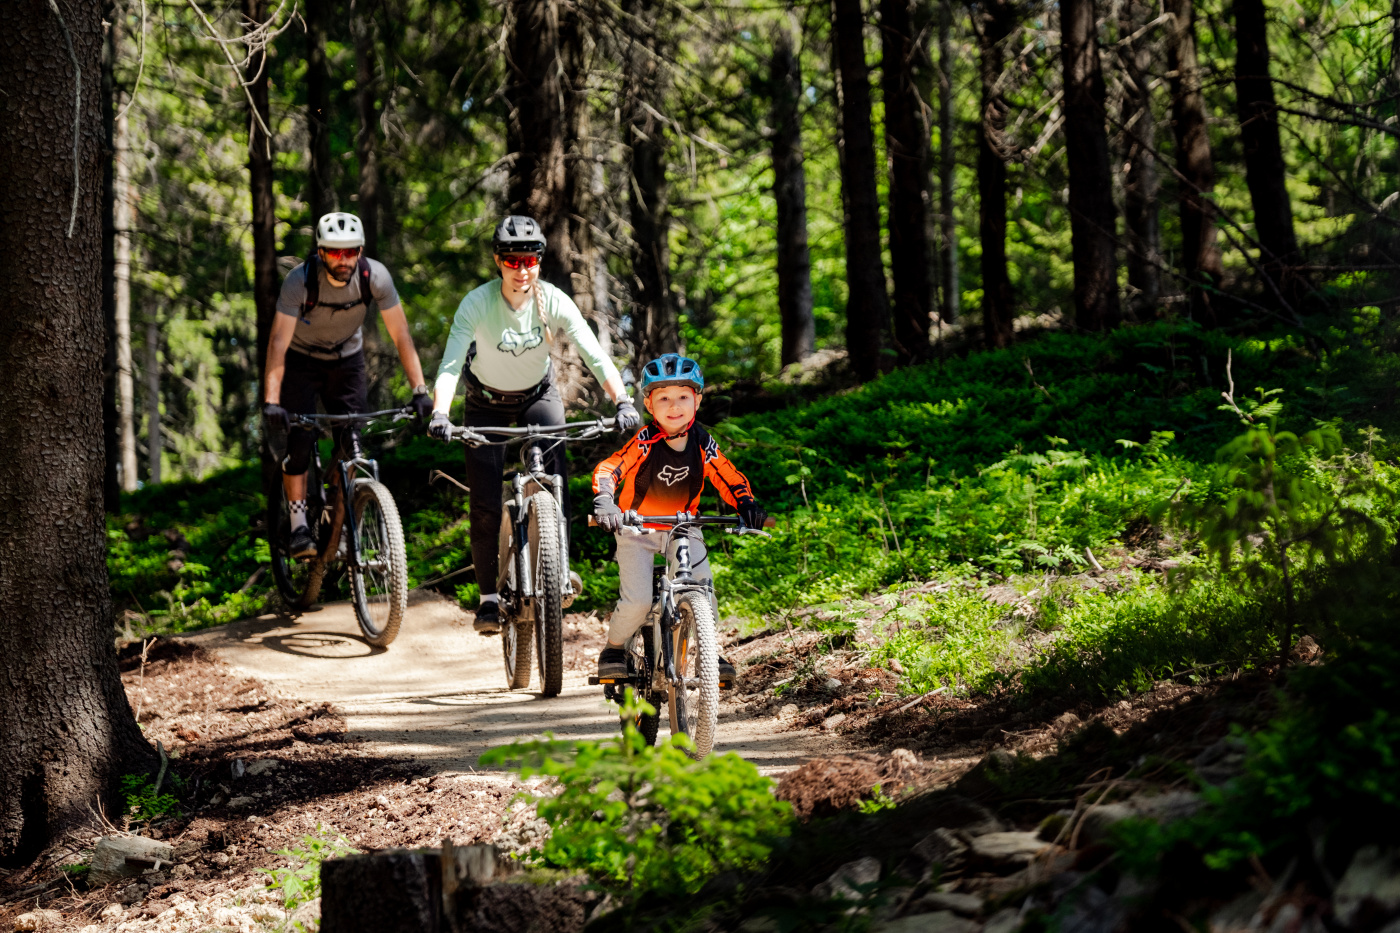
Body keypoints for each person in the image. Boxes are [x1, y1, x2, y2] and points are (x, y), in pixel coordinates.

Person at [428, 215, 641, 634]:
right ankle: (488, 600)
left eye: (529, 260)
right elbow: (451, 363)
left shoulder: (554, 300)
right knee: (485, 502)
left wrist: (623, 400)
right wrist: (440, 412)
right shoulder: (477, 303)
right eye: (512, 260)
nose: (521, 269)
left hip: (537, 396)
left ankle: (557, 570)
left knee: (555, 484)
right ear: (498, 261)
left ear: (539, 261)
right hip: (485, 403)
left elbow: (594, 353)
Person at [263, 212, 434, 558]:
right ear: (320, 253)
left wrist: (420, 391)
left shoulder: (375, 277)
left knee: (352, 442)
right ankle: (298, 526)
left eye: (351, 252)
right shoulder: (299, 281)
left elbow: (401, 335)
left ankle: (339, 524)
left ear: (361, 251)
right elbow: (278, 342)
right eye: (335, 252)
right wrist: (271, 400)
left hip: (346, 360)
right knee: (300, 441)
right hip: (300, 361)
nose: (344, 260)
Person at [590, 353, 766, 679]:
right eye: (664, 398)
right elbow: (610, 468)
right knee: (638, 601)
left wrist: (746, 504)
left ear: (697, 400)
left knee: (703, 589)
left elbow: (727, 476)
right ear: (649, 404)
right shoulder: (645, 441)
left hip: (683, 526)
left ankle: (709, 654)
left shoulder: (702, 442)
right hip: (636, 528)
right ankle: (614, 648)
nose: (674, 406)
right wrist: (605, 500)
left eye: (683, 397)